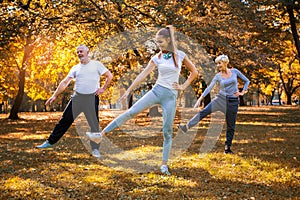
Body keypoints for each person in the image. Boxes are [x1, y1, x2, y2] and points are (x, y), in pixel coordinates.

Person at [87, 25, 198, 175]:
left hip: (171, 96)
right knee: (131, 112)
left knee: (167, 131)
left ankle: (164, 164)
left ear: (168, 40)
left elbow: (194, 72)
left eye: (161, 42)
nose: (158, 45)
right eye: (157, 42)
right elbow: (143, 75)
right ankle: (101, 135)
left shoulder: (180, 55)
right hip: (156, 91)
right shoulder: (157, 58)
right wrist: (129, 90)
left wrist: (183, 86)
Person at [36, 44, 113, 158]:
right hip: (77, 98)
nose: (79, 54)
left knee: (94, 125)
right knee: (64, 120)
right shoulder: (75, 68)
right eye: (77, 52)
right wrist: (54, 95)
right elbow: (65, 82)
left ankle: (95, 150)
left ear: (87, 53)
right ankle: (50, 142)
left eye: (81, 51)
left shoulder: (96, 65)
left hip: (91, 98)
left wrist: (103, 88)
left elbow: (109, 76)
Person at [178, 54, 250, 154]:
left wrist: (242, 92)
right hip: (220, 100)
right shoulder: (218, 76)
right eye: (217, 64)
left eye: (219, 63)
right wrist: (200, 99)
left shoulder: (235, 72)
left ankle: (227, 148)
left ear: (225, 62)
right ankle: (186, 127)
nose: (218, 66)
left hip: (233, 102)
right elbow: (209, 88)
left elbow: (247, 81)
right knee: (204, 112)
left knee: (231, 126)